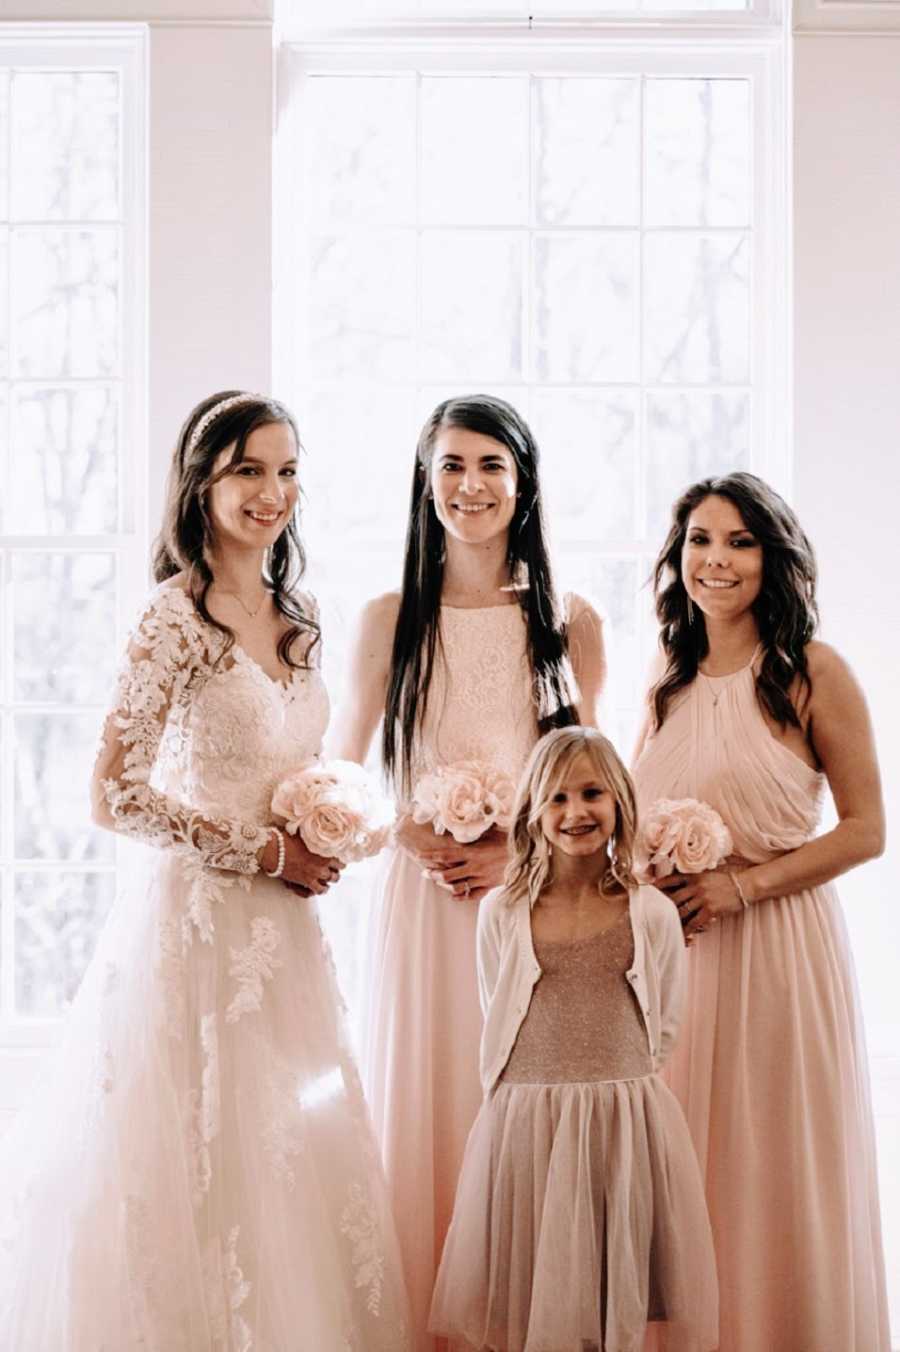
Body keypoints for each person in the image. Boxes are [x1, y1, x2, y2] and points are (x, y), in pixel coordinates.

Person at [0, 391, 410, 1349]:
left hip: (289, 936)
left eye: (287, 469)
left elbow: (299, 761)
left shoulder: (298, 612)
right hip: (201, 927)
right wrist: (266, 848)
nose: (273, 492)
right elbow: (114, 794)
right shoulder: (172, 620)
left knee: (291, 1150)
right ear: (203, 482)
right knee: (202, 1159)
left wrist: (329, 821)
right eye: (249, 471)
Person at [332, 394, 607, 1348]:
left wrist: (510, 851)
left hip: (527, 902)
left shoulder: (567, 619)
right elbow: (342, 769)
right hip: (423, 899)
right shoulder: (387, 617)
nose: (470, 485)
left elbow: (588, 783)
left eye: (490, 465)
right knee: (432, 1090)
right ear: (425, 481)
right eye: (450, 465)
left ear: (522, 482)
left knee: (519, 1095)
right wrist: (413, 835)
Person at [633, 471, 890, 1352]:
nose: (717, 560)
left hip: (780, 951)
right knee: (688, 1168)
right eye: (701, 540)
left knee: (773, 1165)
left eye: (740, 542)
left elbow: (866, 831)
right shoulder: (665, 682)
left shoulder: (813, 671)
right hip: (683, 962)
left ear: (772, 559)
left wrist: (738, 887)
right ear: (679, 559)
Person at [430, 726, 718, 1352]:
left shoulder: (651, 912)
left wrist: (614, 1082)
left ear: (618, 802)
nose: (576, 812)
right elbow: (497, 1006)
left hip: (621, 1123)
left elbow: (663, 1023)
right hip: (530, 1124)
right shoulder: (502, 911)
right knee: (538, 1291)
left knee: (616, 1290)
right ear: (534, 811)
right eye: (557, 798)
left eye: (591, 793)